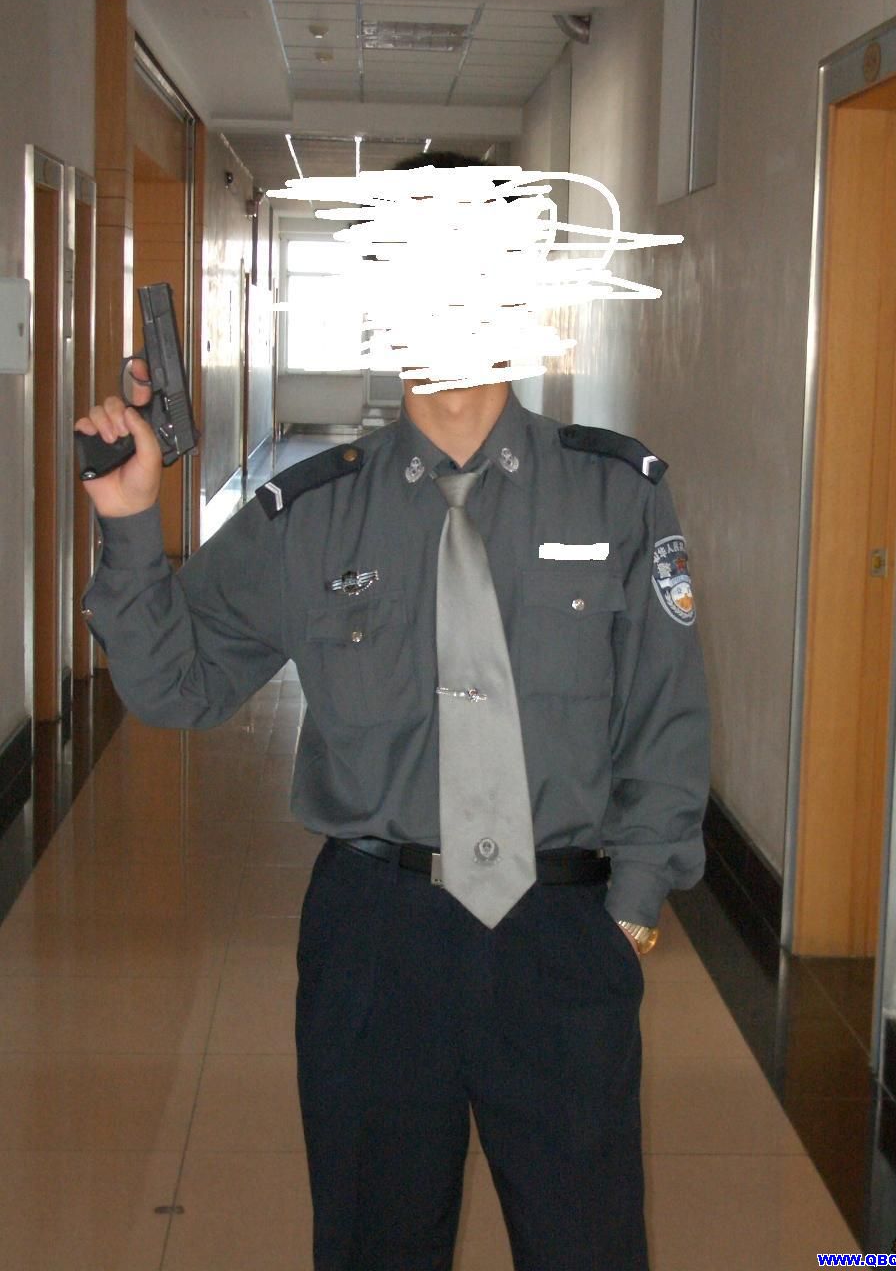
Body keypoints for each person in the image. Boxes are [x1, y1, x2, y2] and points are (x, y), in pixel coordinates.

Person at [74, 158, 710, 1271]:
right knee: (374, 1244)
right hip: (377, 940)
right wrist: (130, 520)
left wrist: (630, 910)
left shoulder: (618, 492)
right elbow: (178, 684)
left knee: (590, 1246)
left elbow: (667, 715)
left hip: (560, 933)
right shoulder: (311, 513)